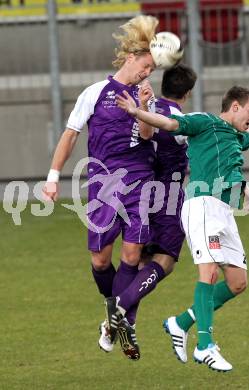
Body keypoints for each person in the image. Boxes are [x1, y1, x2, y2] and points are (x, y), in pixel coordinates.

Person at [116, 85, 249, 371]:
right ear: (235, 107)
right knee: (210, 272)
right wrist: (136, 111)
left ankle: (181, 323)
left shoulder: (235, 136)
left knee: (238, 282)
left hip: (224, 212)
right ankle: (205, 346)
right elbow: (168, 123)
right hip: (202, 207)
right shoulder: (205, 122)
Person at [42, 15, 160, 361]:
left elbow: (150, 136)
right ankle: (116, 317)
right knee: (100, 259)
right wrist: (53, 177)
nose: (147, 74)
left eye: (153, 70)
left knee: (133, 256)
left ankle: (121, 324)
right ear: (130, 58)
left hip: (139, 181)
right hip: (103, 185)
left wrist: (143, 109)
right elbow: (70, 135)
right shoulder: (95, 93)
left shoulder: (145, 98)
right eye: (146, 66)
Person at [101, 64, 197, 349]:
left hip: (138, 192)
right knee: (164, 262)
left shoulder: (144, 106)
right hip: (167, 196)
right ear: (187, 93)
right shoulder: (181, 121)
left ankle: (119, 325)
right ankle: (118, 312)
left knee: (140, 260)